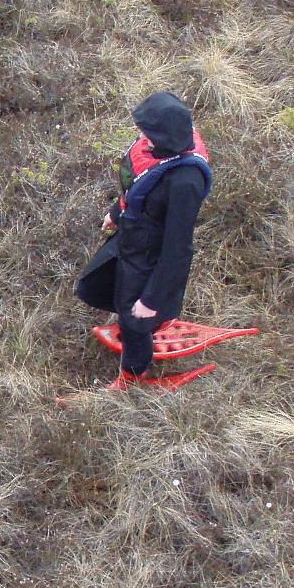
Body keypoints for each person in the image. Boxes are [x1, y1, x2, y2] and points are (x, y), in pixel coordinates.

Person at [74, 91, 213, 391]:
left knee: (134, 316)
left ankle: (133, 374)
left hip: (151, 257)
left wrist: (152, 300)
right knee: (93, 283)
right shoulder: (154, 151)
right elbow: (138, 189)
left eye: (147, 131)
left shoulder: (185, 181)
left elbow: (178, 249)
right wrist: (115, 212)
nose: (141, 135)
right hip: (131, 237)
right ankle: (145, 322)